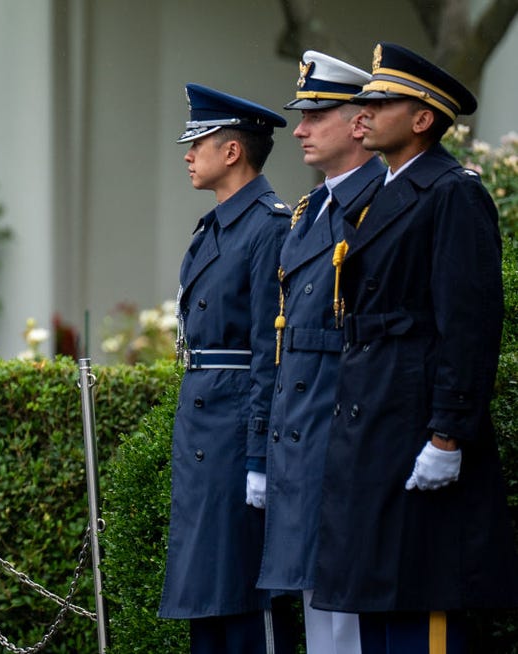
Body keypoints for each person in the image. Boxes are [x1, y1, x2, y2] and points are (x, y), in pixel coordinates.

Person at [312, 42, 518, 653]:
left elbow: (470, 323)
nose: (365, 110)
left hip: (412, 424)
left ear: (423, 119)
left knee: (419, 607)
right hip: (375, 421)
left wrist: (447, 433)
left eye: (382, 101)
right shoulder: (384, 192)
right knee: (378, 599)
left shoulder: (452, 192)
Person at [158, 84, 296, 653]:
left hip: (236, 428)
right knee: (206, 598)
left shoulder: (268, 227)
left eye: (200, 142)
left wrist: (259, 454)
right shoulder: (213, 227)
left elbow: (271, 354)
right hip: (204, 426)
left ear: (233, 151)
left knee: (242, 596)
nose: (188, 154)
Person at [256, 51, 385, 654]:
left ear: (360, 121)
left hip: (342, 437)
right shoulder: (313, 211)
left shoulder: (376, 206)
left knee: (351, 616)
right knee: (320, 617)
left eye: (316, 114)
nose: (301, 129)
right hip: (303, 440)